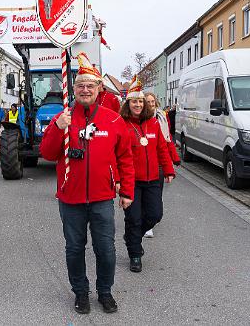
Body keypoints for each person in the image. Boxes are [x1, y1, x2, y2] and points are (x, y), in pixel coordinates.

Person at [40, 51, 135, 315]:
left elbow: (126, 158)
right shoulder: (64, 117)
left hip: (103, 196)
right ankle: (80, 292)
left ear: (98, 89)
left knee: (105, 249)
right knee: (74, 249)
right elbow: (47, 154)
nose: (84, 89)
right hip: (70, 198)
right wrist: (58, 127)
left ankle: (105, 291)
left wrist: (126, 190)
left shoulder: (112, 119)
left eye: (89, 85)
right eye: (80, 85)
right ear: (74, 88)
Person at [120, 76, 175, 272]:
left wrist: (168, 169)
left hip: (153, 179)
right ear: (128, 103)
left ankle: (132, 236)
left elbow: (162, 149)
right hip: (131, 181)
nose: (138, 104)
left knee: (155, 215)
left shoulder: (153, 124)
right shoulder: (122, 124)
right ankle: (135, 253)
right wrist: (118, 181)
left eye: (140, 101)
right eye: (134, 101)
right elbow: (116, 154)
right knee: (133, 218)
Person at [142, 92, 180, 239]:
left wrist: (174, 159)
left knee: (156, 193)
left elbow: (167, 139)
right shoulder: (140, 119)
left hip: (159, 163)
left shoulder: (162, 117)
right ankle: (146, 224)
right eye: (148, 101)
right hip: (146, 162)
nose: (151, 104)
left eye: (153, 101)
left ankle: (150, 218)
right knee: (145, 194)